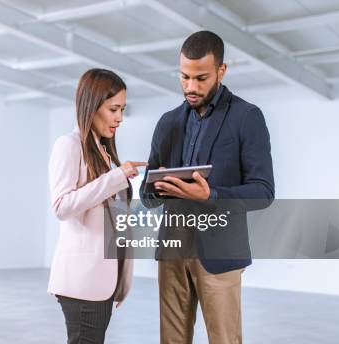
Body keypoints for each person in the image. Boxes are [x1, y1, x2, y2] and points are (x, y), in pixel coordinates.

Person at [139, 31, 275, 344]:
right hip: (173, 249)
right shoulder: (167, 122)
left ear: (221, 71)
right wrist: (159, 188)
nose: (191, 87)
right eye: (184, 77)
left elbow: (263, 191)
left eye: (201, 78)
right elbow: (147, 197)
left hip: (220, 252)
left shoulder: (247, 117)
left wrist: (211, 195)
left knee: (224, 339)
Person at [47, 68, 146, 343]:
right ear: (92, 105)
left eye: (123, 109)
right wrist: (116, 177)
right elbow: (62, 206)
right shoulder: (68, 145)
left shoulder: (102, 152)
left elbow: (105, 213)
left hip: (102, 280)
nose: (120, 118)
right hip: (82, 282)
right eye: (114, 108)